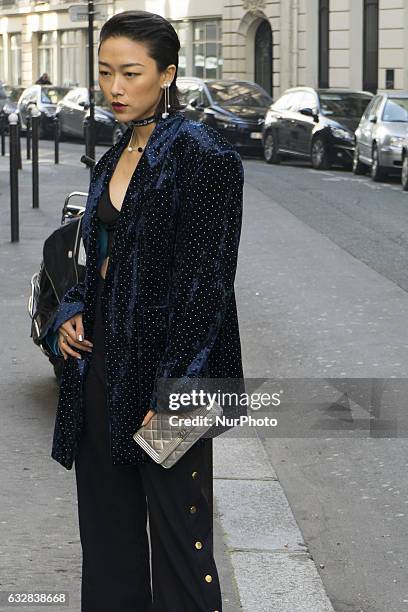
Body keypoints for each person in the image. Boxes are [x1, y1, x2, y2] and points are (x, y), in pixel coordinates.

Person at [49, 9, 245, 612]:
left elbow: (208, 285)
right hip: (103, 365)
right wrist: (73, 311)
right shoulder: (114, 154)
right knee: (107, 541)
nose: (114, 88)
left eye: (130, 73)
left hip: (175, 375)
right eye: (105, 72)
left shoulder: (203, 155)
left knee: (181, 546)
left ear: (167, 73)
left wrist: (174, 396)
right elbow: (93, 258)